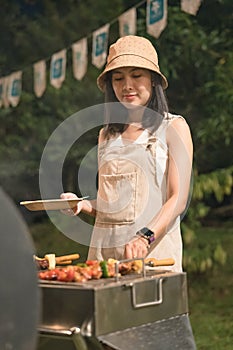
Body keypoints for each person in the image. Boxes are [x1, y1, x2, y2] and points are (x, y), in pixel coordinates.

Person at [61, 35, 193, 273]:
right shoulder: (106, 135)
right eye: (118, 78)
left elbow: (178, 199)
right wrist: (82, 205)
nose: (127, 85)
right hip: (103, 259)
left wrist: (145, 238)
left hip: (154, 258)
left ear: (153, 80)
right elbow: (112, 206)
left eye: (136, 75)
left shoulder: (174, 128)